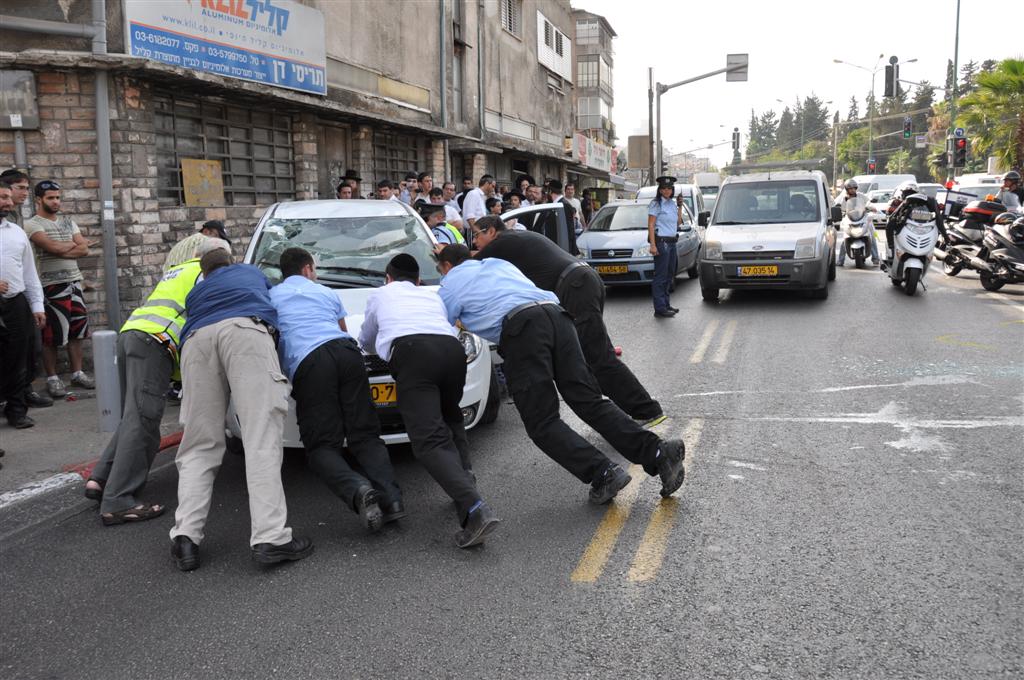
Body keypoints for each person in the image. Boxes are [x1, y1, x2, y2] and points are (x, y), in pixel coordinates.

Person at [436, 244, 686, 506]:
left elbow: (443, 329)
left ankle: (602, 472)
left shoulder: (450, 283)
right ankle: (659, 452)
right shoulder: (498, 265)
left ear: (447, 266)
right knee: (589, 400)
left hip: (522, 331)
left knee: (542, 422)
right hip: (558, 316)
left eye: (441, 269)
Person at [168, 248, 312, 572]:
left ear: (204, 274)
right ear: (230, 264)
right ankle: (271, 538)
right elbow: (276, 301)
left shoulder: (197, 292)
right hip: (246, 332)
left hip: (195, 341)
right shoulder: (250, 273)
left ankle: (185, 538)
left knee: (198, 444)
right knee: (259, 436)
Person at [87, 238, 232, 525]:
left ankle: (101, 479)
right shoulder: (207, 273)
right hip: (155, 342)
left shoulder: (178, 269)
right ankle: (119, 501)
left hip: (133, 334)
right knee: (144, 419)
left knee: (134, 416)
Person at [359, 254, 499, 547]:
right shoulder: (431, 296)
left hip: (413, 355)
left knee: (427, 442)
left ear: (388, 278)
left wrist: (376, 347)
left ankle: (475, 509)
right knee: (450, 417)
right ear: (418, 280)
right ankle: (465, 480)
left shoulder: (380, 295)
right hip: (451, 351)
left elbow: (367, 339)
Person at [469, 215, 665, 425]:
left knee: (598, 357)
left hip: (576, 287)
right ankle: (618, 413)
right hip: (582, 283)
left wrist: (441, 254)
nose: (474, 241)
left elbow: (467, 264)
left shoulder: (502, 243)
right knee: (587, 356)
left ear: (491, 231)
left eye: (476, 235)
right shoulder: (516, 238)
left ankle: (646, 411)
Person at [270, 247, 404, 532]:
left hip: (310, 362)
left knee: (321, 446)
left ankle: (357, 489)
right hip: (346, 352)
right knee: (366, 434)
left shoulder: (271, 297)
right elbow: (342, 328)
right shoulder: (325, 292)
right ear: (308, 269)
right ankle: (392, 501)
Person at [23, 180, 96, 397]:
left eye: (57, 197)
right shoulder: (32, 224)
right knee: (52, 334)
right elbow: (54, 247)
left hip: (75, 282)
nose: (56, 202)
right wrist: (75, 246)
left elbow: (84, 251)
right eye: (50, 198)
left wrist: (66, 249)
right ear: (38, 199)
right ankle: (53, 379)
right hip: (50, 284)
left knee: (78, 330)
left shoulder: (67, 221)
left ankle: (77, 374)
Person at [0, 169, 53, 409]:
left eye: (9, 198)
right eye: (4, 197)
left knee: (22, 355)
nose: (10, 203)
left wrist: (36, 305)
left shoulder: (16, 231)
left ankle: (17, 407)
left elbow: (29, 273)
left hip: (16, 301)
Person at [646, 176, 683, 318]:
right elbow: (650, 225)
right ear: (660, 190)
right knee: (660, 276)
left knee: (669, 275)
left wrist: (680, 206)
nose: (666, 191)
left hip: (672, 242)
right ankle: (660, 308)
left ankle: (666, 304)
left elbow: (678, 223)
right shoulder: (656, 204)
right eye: (664, 188)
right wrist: (653, 245)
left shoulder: (672, 204)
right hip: (662, 243)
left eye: (669, 188)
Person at [884, 181, 944, 268]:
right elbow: (890, 212)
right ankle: (891, 248)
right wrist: (892, 210)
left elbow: (938, 214)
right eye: (907, 193)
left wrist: (939, 207)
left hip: (921, 227)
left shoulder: (925, 202)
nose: (909, 194)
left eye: (912, 193)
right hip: (904, 226)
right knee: (889, 225)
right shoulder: (898, 202)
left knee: (938, 227)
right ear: (903, 193)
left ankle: (931, 251)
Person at [835, 179, 880, 266]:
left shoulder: (861, 196)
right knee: (846, 237)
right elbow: (840, 206)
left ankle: (875, 258)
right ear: (846, 189)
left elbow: (868, 202)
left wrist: (872, 207)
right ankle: (840, 260)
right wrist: (839, 209)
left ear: (856, 188)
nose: (852, 190)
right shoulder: (844, 198)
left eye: (854, 188)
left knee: (872, 233)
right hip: (850, 219)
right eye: (850, 188)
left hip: (862, 218)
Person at [164, 220, 230, 271]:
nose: (219, 240)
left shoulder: (182, 243)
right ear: (206, 231)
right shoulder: (204, 240)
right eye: (217, 236)